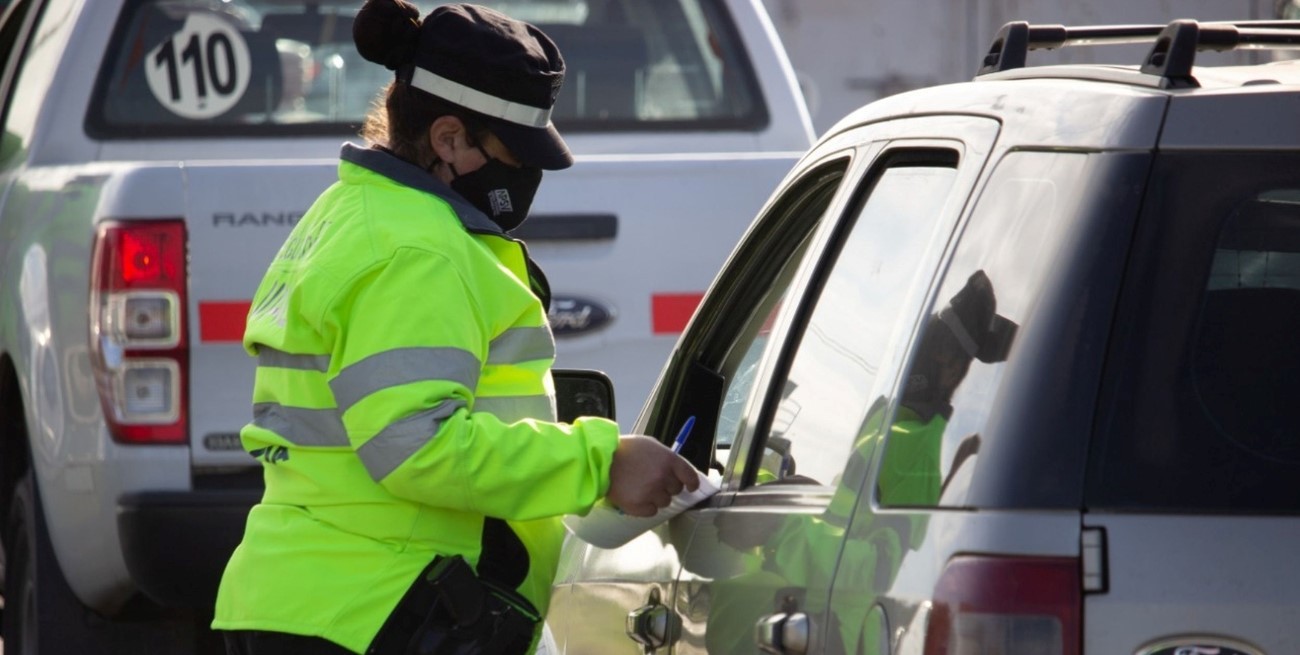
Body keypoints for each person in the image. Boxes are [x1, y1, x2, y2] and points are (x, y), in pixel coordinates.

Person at [211, 2, 699, 654]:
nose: (527, 177)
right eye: (515, 153)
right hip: (378, 610)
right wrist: (600, 462)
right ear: (448, 138)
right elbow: (418, 445)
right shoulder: (417, 248)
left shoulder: (354, 214)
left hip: (315, 603)